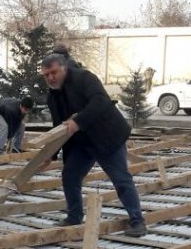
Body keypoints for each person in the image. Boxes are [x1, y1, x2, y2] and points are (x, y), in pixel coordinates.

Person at [40, 53, 146, 237]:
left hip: (107, 137)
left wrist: (78, 121)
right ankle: (74, 217)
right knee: (70, 175)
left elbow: (100, 101)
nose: (50, 77)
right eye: (46, 74)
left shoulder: (84, 78)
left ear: (64, 68)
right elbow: (59, 126)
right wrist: (51, 153)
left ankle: (138, 221)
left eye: (54, 72)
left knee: (121, 179)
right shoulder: (53, 96)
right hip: (83, 144)